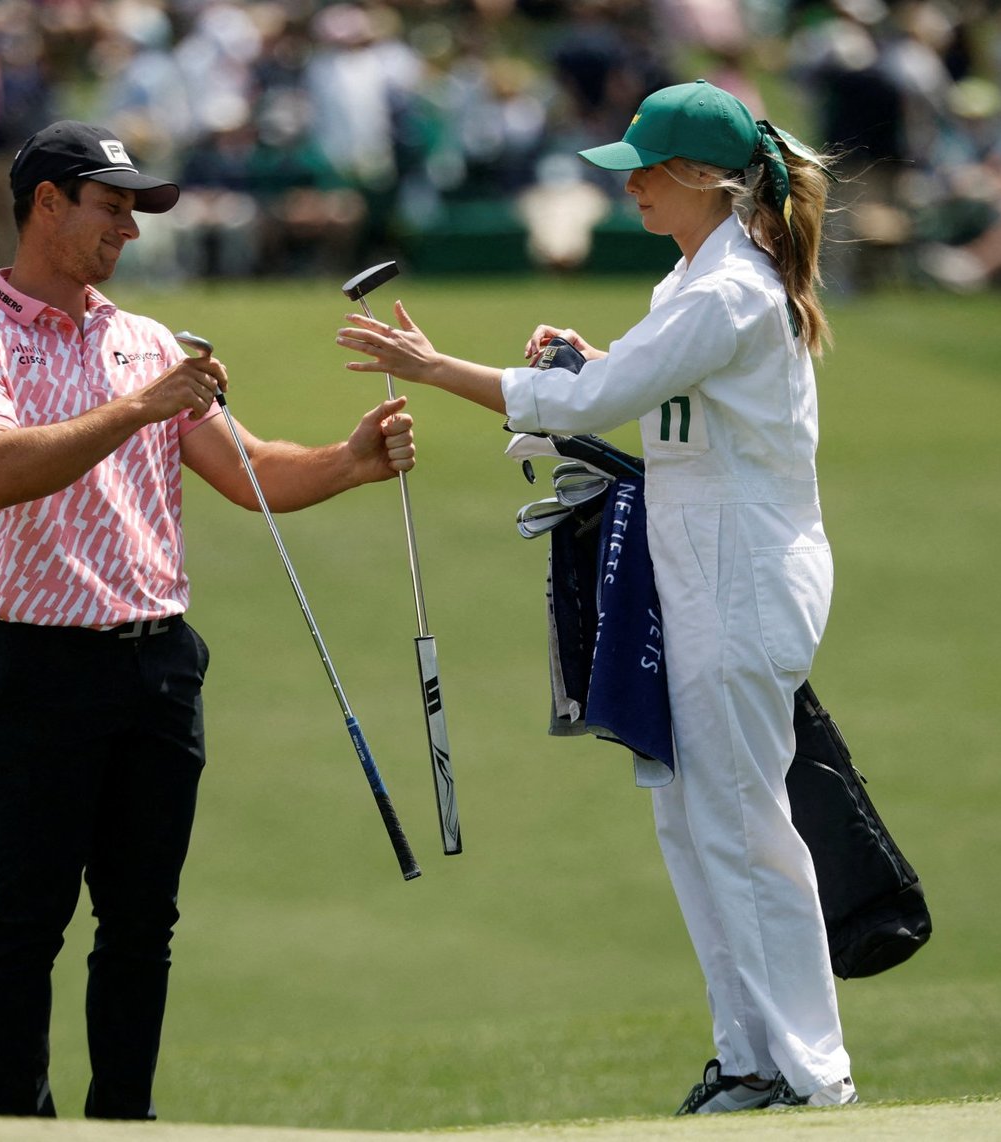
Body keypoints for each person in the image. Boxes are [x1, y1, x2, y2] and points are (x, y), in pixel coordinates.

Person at [337, 81, 856, 1114]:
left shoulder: (726, 291)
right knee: (691, 818)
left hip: (740, 569)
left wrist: (434, 367)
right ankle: (750, 1056)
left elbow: (596, 405)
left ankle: (806, 1070)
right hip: (699, 561)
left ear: (701, 178)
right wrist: (592, 359)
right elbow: (651, 397)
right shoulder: (696, 281)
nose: (634, 191)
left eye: (647, 174)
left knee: (741, 824)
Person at [0, 119, 415, 1120]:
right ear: (48, 203)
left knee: (143, 920)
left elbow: (246, 469)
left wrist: (347, 461)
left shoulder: (147, 342)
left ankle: (125, 1119)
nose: (130, 232)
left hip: (155, 665)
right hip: (32, 663)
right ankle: (19, 1122)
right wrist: (137, 409)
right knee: (30, 915)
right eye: (113, 208)